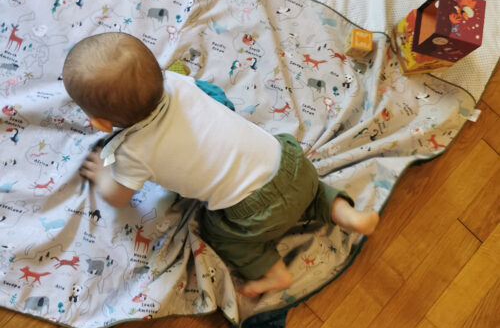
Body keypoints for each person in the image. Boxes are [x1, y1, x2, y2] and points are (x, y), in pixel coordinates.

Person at [62, 32, 379, 297]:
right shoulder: (178, 83)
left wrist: (105, 174)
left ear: (102, 124)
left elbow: (118, 197)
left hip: (252, 211)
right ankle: (348, 215)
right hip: (290, 163)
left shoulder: (132, 152)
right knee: (312, 193)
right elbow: (217, 97)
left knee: (220, 232)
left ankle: (274, 273)